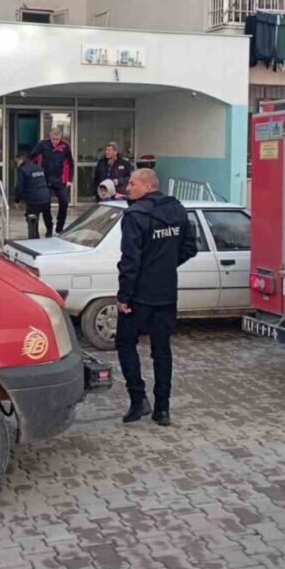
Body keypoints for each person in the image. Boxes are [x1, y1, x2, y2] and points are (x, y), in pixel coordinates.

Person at [115, 169, 198, 427]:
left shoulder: (135, 215)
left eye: (132, 183)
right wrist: (166, 265)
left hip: (139, 295)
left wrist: (123, 296)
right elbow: (189, 248)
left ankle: (138, 399)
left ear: (148, 186)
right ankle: (163, 409)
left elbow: (130, 261)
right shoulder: (177, 209)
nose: (128, 188)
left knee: (125, 343)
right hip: (166, 292)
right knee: (162, 350)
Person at [30, 127, 74, 234]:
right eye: (53, 139)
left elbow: (71, 163)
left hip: (60, 179)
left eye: (57, 139)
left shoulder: (65, 146)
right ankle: (49, 227)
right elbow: (32, 157)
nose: (55, 141)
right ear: (50, 137)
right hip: (45, 179)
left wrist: (70, 180)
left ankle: (60, 227)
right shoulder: (43, 144)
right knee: (45, 204)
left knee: (64, 202)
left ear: (60, 138)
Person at [14, 151, 52, 239]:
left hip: (34, 199)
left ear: (20, 159)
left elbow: (20, 186)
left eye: (16, 162)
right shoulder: (38, 167)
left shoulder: (23, 169)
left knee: (32, 219)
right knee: (47, 217)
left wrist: (17, 200)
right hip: (46, 197)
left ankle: (34, 238)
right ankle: (49, 234)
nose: (16, 164)